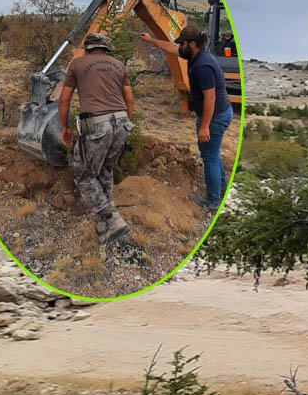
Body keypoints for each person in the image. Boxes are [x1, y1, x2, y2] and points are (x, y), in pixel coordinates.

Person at [140, 26, 233, 211]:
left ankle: (213, 202)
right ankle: (221, 187)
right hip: (216, 114)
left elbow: (210, 97)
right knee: (212, 154)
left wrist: (205, 126)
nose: (180, 47)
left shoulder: (202, 66)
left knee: (209, 157)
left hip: (214, 117)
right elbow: (171, 48)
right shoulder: (193, 54)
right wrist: (151, 40)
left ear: (192, 44)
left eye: (182, 43)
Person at [57, 32, 133, 245]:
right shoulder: (119, 65)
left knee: (84, 174)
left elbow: (64, 100)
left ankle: (112, 217)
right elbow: (130, 100)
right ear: (105, 48)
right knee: (105, 170)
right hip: (122, 121)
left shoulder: (77, 64)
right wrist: (124, 127)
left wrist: (64, 127)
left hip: (97, 124)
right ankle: (104, 227)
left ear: (87, 48)